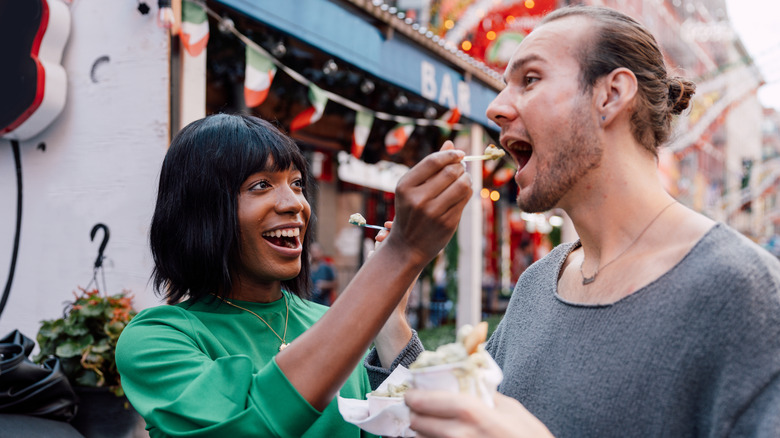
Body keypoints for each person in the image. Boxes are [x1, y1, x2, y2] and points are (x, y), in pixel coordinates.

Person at [404, 5, 780, 438]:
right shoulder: (537, 285)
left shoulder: (744, 294)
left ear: (611, 95)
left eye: (530, 80)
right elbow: (463, 413)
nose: (496, 108)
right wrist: (392, 315)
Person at [115, 114, 472, 437]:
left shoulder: (331, 323)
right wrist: (397, 257)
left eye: (298, 183)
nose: (295, 204)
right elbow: (251, 426)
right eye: (261, 185)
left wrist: (390, 322)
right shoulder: (156, 340)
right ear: (201, 211)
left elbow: (401, 429)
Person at [309, 241, 337, 306]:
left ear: (321, 252)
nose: (314, 254)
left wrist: (325, 284)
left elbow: (336, 284)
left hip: (323, 303)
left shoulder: (327, 266)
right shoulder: (307, 268)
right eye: (312, 252)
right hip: (310, 302)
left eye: (316, 252)